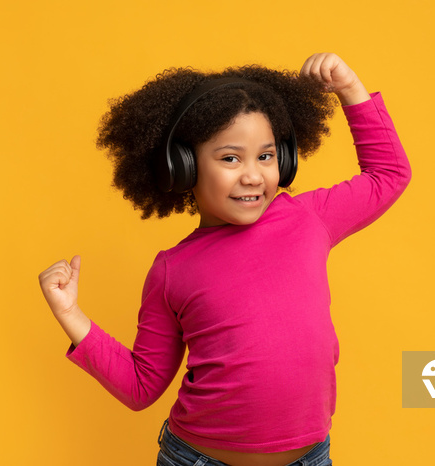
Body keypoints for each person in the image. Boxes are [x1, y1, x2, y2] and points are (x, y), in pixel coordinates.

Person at [38, 53, 411, 466]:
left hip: (310, 458)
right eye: (231, 158)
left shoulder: (309, 219)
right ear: (183, 167)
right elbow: (140, 387)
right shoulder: (172, 269)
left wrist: (351, 90)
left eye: (266, 156)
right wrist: (72, 317)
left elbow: (389, 174)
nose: (253, 175)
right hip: (198, 459)